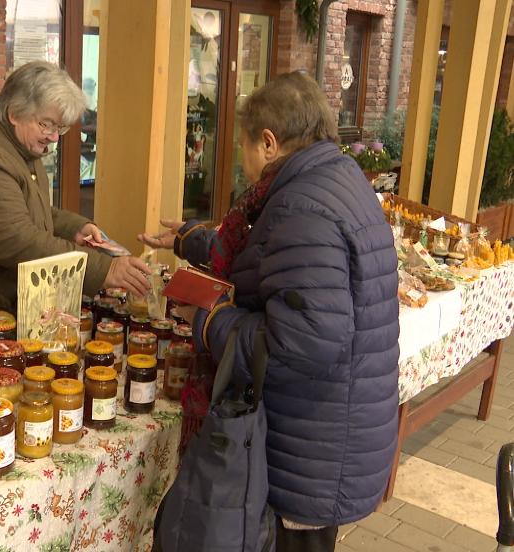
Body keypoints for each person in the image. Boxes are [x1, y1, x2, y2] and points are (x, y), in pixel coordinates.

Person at [141, 72, 399, 551]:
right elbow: (278, 266)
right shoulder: (334, 180)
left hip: (310, 450)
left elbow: (299, 343)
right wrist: (196, 241)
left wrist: (212, 319)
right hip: (328, 434)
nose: (243, 163)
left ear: (268, 142)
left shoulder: (301, 206)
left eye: (242, 146)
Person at [0, 61, 149, 310]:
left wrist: (74, 228)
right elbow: (16, 239)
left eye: (60, 127)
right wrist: (103, 269)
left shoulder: (14, 141)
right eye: (47, 124)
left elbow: (25, 206)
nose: (54, 136)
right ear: (14, 113)